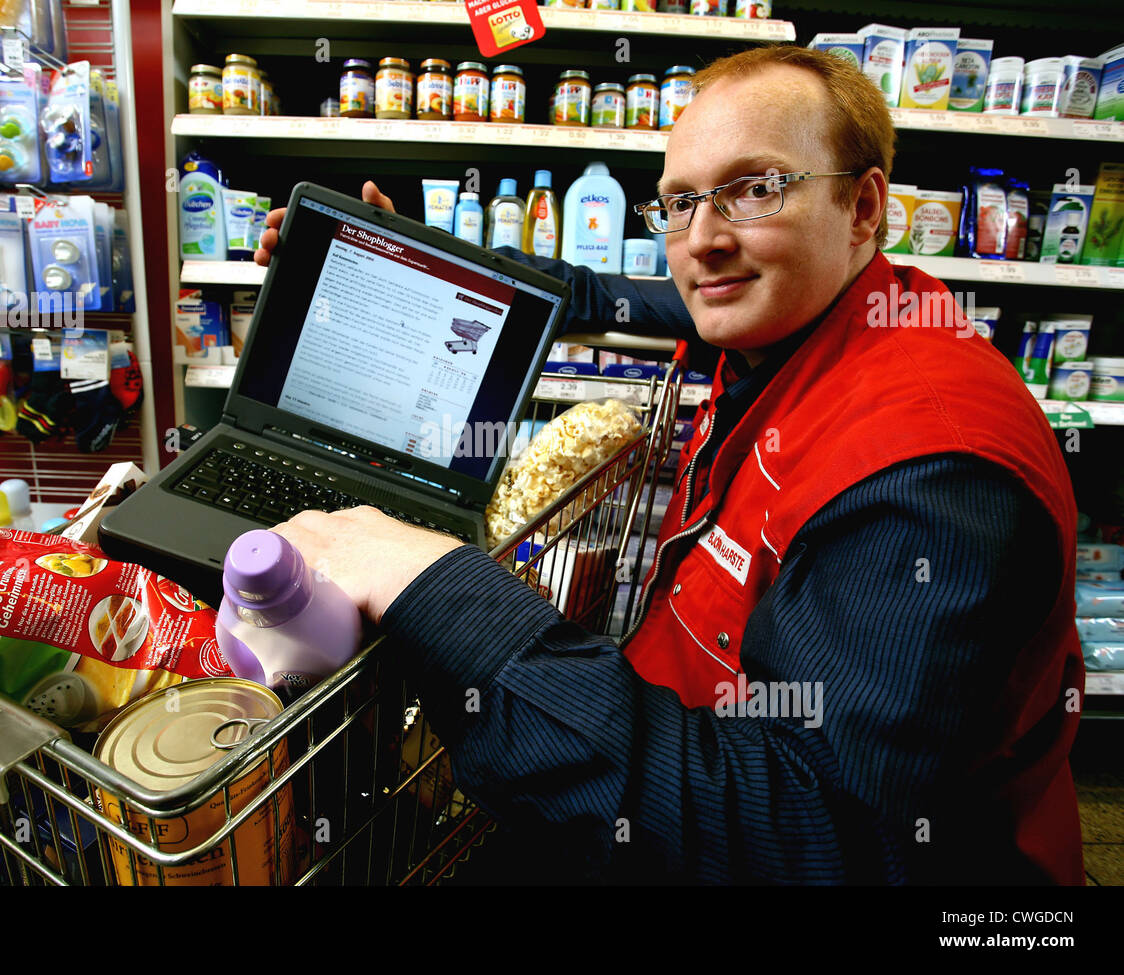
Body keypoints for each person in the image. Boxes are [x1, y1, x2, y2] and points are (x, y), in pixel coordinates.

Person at [254, 46, 1083, 884]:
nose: (703, 242)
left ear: (862, 205)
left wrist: (440, 585)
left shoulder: (930, 476)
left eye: (757, 188)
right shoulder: (783, 306)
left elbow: (815, 838)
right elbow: (592, 293)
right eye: (680, 202)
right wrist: (404, 257)